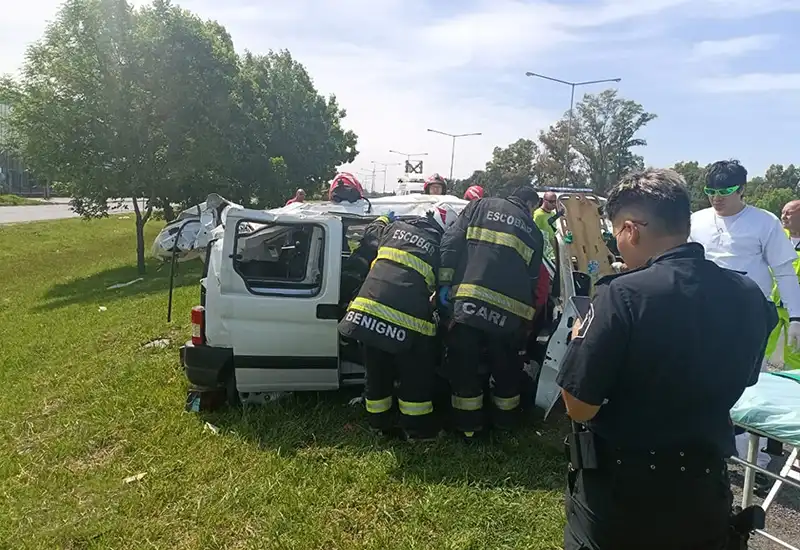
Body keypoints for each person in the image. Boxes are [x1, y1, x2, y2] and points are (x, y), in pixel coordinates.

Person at [556, 168, 778, 550]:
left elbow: (578, 405)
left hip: (622, 500)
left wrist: (579, 339)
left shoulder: (621, 296)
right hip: (704, 493)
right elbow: (746, 379)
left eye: (615, 234)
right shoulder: (749, 294)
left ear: (630, 230)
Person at [689, 159, 800, 473]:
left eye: (724, 191)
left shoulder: (764, 223)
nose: (717, 198)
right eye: (711, 191)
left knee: (748, 385)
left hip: (749, 316)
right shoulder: (696, 220)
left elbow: (784, 271)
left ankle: (752, 459)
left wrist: (796, 317)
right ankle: (704, 445)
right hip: (704, 313)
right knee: (701, 380)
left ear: (742, 189)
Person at [338, 204, 457, 441]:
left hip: (367, 314)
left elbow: (370, 233)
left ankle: (379, 426)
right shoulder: (440, 247)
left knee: (376, 374)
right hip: (407, 322)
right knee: (415, 377)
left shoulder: (393, 229)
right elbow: (444, 288)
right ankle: (419, 432)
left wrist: (383, 218)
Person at [438, 186, 543, 437]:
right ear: (530, 205)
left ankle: (468, 428)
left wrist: (444, 282)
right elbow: (533, 278)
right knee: (506, 369)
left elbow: (450, 242)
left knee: (464, 366)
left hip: (468, 304)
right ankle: (505, 425)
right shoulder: (533, 231)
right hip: (508, 313)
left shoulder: (478, 206)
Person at [765, 199, 800, 370]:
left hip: (796, 308)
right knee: (762, 345)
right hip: (773, 303)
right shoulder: (778, 237)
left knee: (795, 350)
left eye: (789, 213)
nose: (783, 216)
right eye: (783, 212)